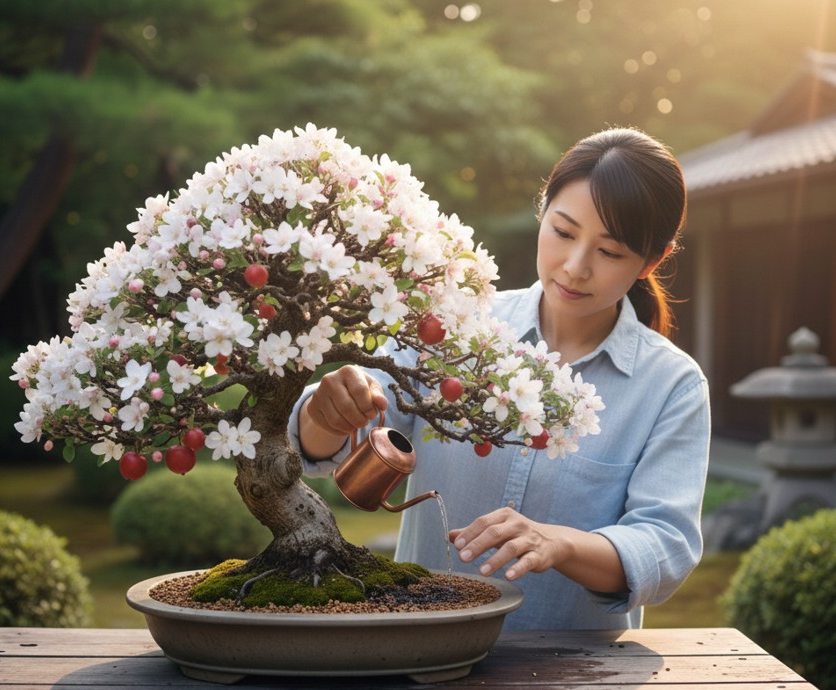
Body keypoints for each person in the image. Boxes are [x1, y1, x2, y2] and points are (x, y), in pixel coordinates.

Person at [287, 127, 711, 630]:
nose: (575, 268)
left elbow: (665, 544)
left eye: (610, 252)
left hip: (572, 671)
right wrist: (327, 411)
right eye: (564, 232)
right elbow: (322, 447)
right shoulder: (455, 326)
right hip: (417, 650)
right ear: (542, 209)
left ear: (653, 260)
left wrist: (562, 543)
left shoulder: (670, 386)